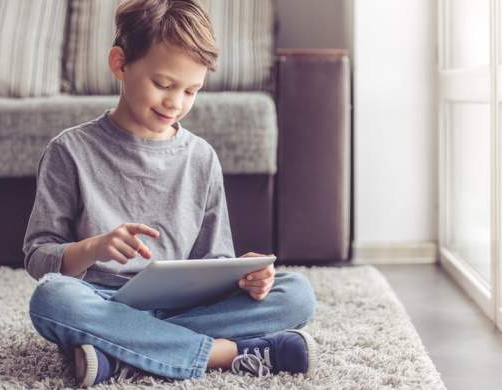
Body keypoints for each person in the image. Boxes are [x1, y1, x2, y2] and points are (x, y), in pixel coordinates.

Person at [22, 0, 317, 386]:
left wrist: (246, 277)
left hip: (183, 306)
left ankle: (123, 354)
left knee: (296, 294)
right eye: (163, 84)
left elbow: (214, 259)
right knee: (53, 301)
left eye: (191, 91)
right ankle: (228, 354)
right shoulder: (70, 151)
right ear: (120, 63)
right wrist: (93, 248)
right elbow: (38, 257)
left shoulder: (201, 157)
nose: (175, 103)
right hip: (103, 301)